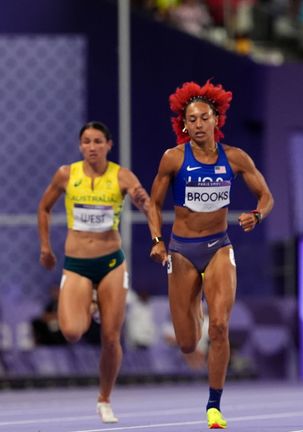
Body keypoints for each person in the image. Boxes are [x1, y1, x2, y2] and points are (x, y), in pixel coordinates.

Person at [146, 80, 273, 429]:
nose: (199, 124)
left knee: (219, 327)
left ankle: (214, 405)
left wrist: (257, 214)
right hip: (182, 252)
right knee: (188, 343)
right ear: (183, 125)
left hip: (219, 247)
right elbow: (153, 204)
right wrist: (157, 239)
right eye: (192, 119)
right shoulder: (173, 158)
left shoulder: (235, 158)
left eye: (205, 117)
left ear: (217, 119)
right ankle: (194, 307)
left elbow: (266, 196)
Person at [37, 121, 150, 424]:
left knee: (111, 337)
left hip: (111, 262)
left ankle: (104, 398)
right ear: (80, 146)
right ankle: (91, 301)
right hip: (77, 263)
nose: (92, 147)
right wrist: (45, 247)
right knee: (72, 331)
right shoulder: (66, 175)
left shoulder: (121, 176)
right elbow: (44, 208)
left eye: (98, 141)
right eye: (86, 141)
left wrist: (156, 235)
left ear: (108, 145)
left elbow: (145, 203)